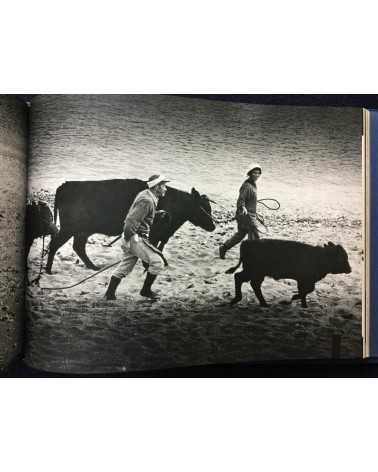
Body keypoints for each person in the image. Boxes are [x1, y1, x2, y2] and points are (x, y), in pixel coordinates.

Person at [104, 174, 170, 301]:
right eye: (164, 186)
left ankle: (109, 294)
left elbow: (139, 214)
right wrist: (130, 239)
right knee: (157, 263)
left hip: (132, 236)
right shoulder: (147, 200)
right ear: (156, 187)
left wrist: (155, 214)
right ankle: (145, 291)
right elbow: (130, 221)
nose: (166, 189)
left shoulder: (147, 194)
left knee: (126, 266)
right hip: (135, 238)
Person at [219, 163, 262, 259]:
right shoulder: (247, 186)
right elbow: (241, 199)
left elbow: (249, 200)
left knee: (241, 234)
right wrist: (243, 207)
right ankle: (252, 256)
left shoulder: (253, 184)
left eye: (258, 173)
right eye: (255, 173)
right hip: (245, 215)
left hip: (249, 214)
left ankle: (224, 247)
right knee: (254, 234)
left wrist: (253, 211)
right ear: (250, 173)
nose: (257, 175)